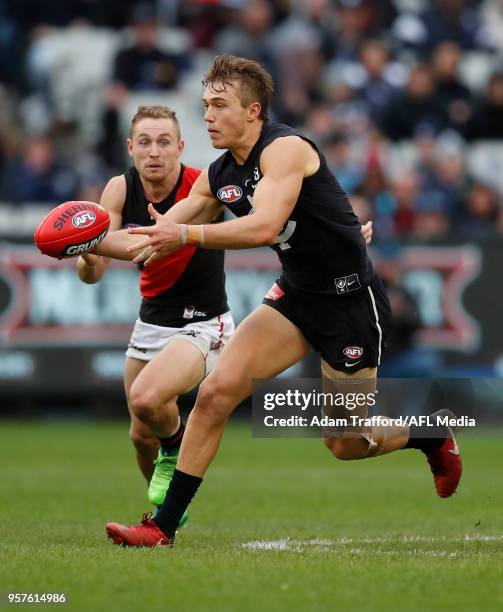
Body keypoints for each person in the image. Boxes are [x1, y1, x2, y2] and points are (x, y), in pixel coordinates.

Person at [104, 55, 461, 548]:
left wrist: (183, 234)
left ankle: (430, 435)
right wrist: (79, 239)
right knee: (214, 394)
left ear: (254, 112)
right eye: (205, 104)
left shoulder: (286, 148)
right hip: (295, 296)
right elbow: (147, 237)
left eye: (220, 105)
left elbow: (264, 226)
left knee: (345, 442)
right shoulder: (220, 172)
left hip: (349, 304)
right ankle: (162, 528)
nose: (207, 115)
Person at [77, 105, 234, 525]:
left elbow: (264, 219)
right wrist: (85, 255)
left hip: (204, 323)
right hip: (150, 324)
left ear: (180, 147)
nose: (154, 152)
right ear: (130, 148)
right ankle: (166, 517)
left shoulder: (203, 183)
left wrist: (339, 233)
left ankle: (174, 450)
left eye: (164, 142)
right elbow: (95, 268)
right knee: (139, 433)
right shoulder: (118, 189)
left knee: (149, 399)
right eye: (144, 142)